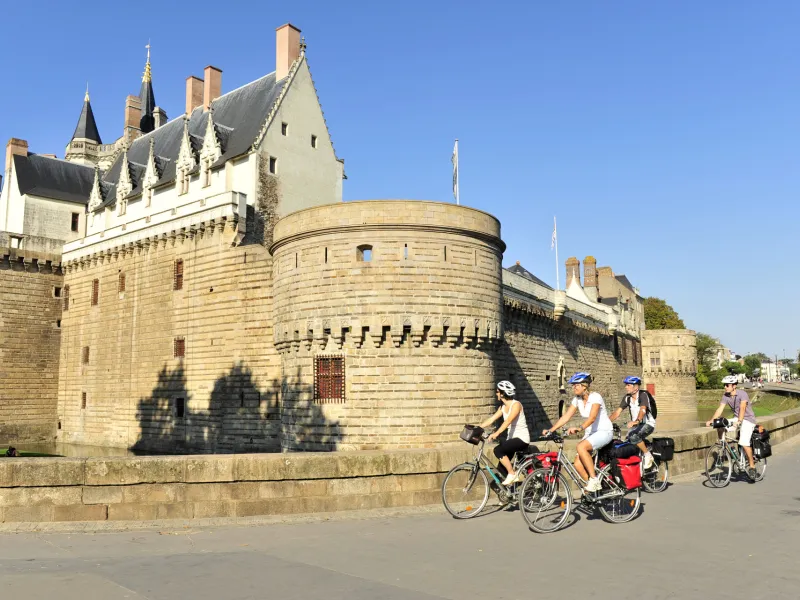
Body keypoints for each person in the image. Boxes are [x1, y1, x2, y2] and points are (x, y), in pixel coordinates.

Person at [542, 372, 613, 493]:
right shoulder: (577, 400)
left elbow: (592, 418)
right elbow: (566, 416)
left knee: (581, 446)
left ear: (585, 386)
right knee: (578, 464)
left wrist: (579, 428)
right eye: (573, 385)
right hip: (591, 433)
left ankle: (594, 479)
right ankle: (593, 489)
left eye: (576, 385)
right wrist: (551, 430)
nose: (574, 387)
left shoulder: (596, 397)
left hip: (604, 431)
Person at [706, 375, 757, 482]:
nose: (725, 387)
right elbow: (720, 409)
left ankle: (752, 466)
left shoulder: (742, 394)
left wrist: (739, 422)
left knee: (744, 442)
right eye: (724, 385)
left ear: (734, 386)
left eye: (727, 385)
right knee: (719, 423)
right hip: (736, 418)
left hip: (748, 419)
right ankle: (722, 443)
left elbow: (742, 408)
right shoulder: (726, 396)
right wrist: (711, 420)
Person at [480, 380, 531, 486]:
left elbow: (508, 421)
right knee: (500, 473)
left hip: (521, 439)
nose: (496, 393)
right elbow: (491, 419)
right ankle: (508, 496)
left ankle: (512, 473)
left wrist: (496, 433)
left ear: (503, 393)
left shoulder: (516, 405)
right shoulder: (503, 407)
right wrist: (477, 428)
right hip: (511, 440)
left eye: (498, 391)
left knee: (498, 450)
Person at [609, 376, 656, 469]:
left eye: (628, 385)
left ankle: (648, 455)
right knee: (627, 442)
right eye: (626, 385)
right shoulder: (627, 398)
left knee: (634, 437)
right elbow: (617, 412)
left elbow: (643, 410)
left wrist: (637, 421)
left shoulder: (643, 395)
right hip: (636, 426)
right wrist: (606, 422)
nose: (626, 387)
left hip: (648, 424)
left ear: (636, 387)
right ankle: (637, 463)